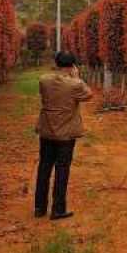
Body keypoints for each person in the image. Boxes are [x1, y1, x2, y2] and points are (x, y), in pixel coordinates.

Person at [34, 51, 93, 220]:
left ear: (56, 63)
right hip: (66, 134)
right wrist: (77, 78)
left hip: (46, 131)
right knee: (62, 169)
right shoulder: (74, 85)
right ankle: (58, 209)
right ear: (73, 66)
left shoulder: (44, 80)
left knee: (44, 167)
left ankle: (39, 207)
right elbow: (89, 94)